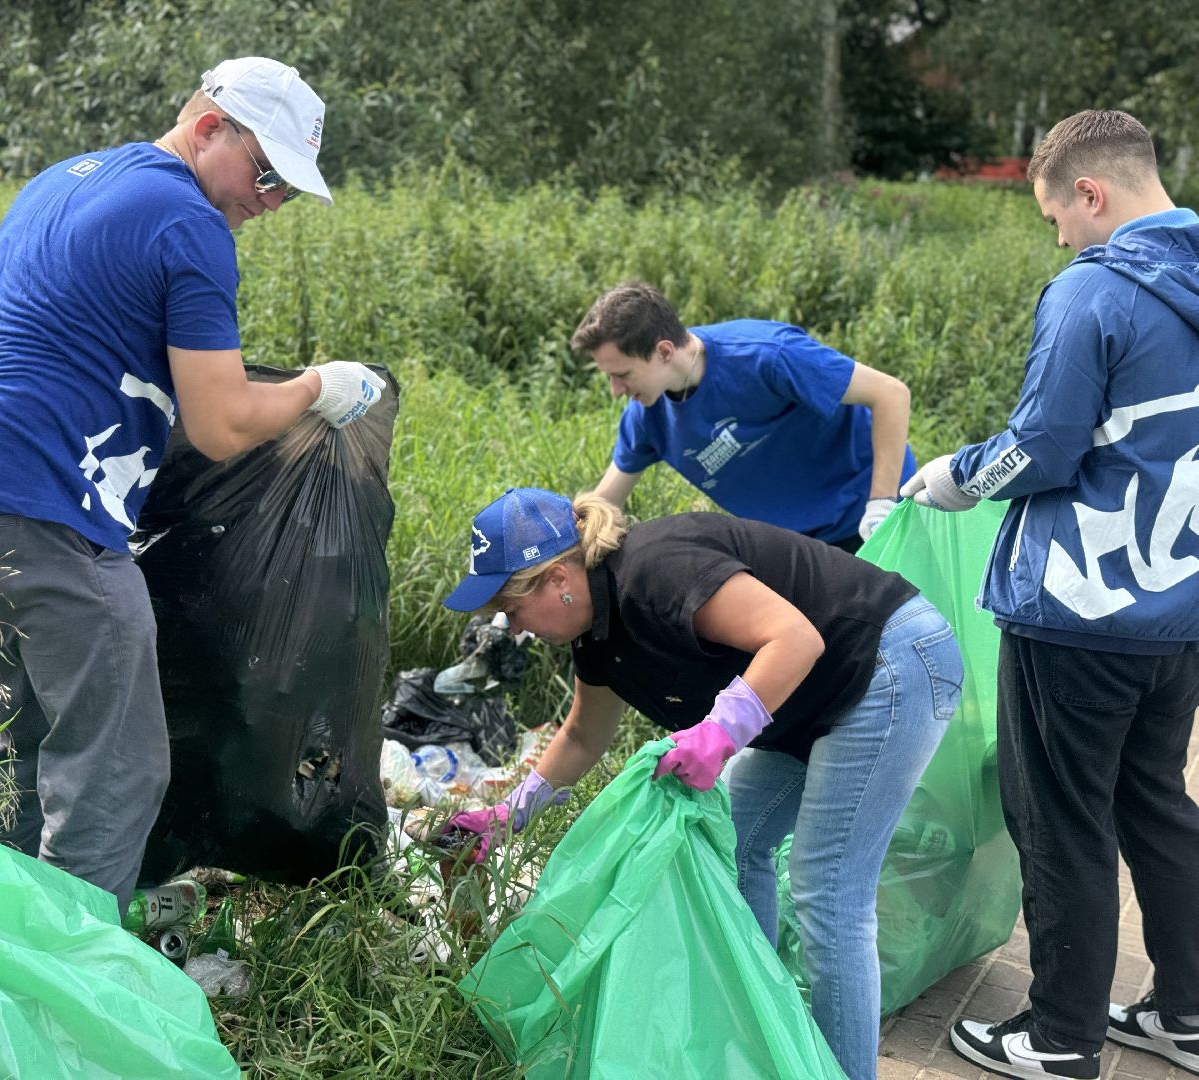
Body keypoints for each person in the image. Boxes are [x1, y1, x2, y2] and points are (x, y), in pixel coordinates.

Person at [0, 56, 386, 918]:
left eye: (287, 188)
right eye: (265, 174)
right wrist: (320, 387)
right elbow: (222, 424)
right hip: (41, 511)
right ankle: (71, 973)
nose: (271, 201)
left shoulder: (69, 178)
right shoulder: (188, 223)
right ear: (209, 129)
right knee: (118, 765)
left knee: (25, 735)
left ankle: (7, 929)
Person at [442, 486, 963, 1080]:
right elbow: (584, 736)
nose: (513, 627)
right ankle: (763, 1039)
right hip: (810, 699)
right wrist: (509, 814)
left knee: (827, 890)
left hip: (888, 661)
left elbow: (795, 638)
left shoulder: (656, 571)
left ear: (557, 578)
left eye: (511, 608)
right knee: (733, 842)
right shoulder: (596, 633)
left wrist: (720, 731)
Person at [899, 110, 1199, 1080]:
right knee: (1156, 804)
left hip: (1078, 613)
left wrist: (954, 477)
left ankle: (1061, 1035)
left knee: (1062, 818)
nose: (1060, 239)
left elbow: (1041, 447)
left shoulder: (1093, 291)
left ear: (1090, 193)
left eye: (1056, 218)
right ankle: (1188, 1014)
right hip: (1180, 611)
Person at [571, 282, 916, 551]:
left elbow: (890, 394)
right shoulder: (646, 418)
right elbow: (604, 505)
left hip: (876, 517)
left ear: (663, 351)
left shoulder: (768, 355)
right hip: (802, 547)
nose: (615, 390)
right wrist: (551, 557)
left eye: (622, 375)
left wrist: (882, 505)